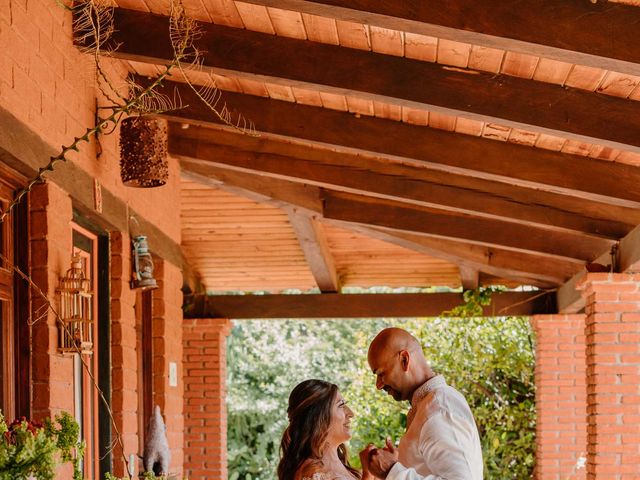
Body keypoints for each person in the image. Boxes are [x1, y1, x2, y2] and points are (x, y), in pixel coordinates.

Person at [360, 328, 483, 480]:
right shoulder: (428, 406)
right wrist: (400, 463)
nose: (378, 385)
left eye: (381, 374)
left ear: (404, 360)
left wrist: (391, 471)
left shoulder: (439, 407)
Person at [278, 379, 371, 480]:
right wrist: (368, 475)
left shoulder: (347, 470)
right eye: (341, 405)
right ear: (318, 418)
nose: (351, 413)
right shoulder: (310, 473)